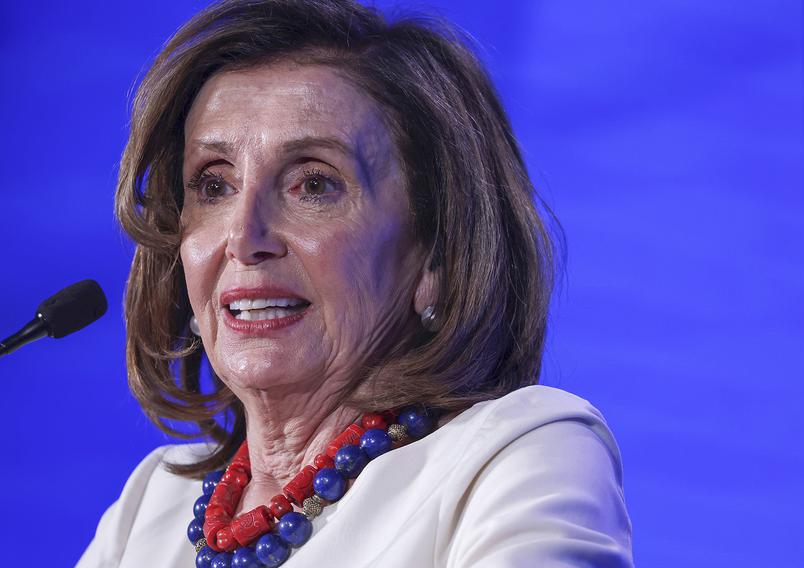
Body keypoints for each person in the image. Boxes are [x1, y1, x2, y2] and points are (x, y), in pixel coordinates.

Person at [77, 0, 633, 566]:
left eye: (314, 184)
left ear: (436, 253)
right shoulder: (153, 506)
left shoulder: (517, 456)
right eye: (213, 186)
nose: (244, 238)